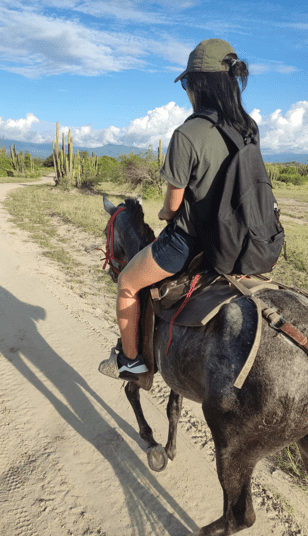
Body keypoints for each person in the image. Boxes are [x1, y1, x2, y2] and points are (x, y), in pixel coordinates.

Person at [99, 38, 258, 379]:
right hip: (242, 242)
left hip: (191, 244)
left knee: (127, 281)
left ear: (199, 85)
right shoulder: (248, 129)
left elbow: (173, 205)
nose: (186, 89)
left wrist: (164, 215)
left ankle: (131, 361)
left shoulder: (187, 133)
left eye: (187, 82)